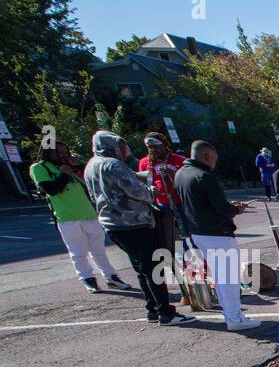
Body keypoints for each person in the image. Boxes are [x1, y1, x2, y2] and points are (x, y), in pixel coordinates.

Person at [83, 131, 194, 325]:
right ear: (113, 145)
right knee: (153, 268)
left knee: (142, 268)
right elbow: (136, 190)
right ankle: (166, 313)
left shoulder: (91, 165)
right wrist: (151, 192)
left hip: (113, 224)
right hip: (133, 223)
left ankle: (152, 310)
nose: (127, 149)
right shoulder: (112, 164)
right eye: (123, 145)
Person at [174, 140, 259, 331]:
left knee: (220, 278)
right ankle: (235, 318)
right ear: (206, 156)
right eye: (214, 158)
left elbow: (202, 203)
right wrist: (236, 209)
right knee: (228, 278)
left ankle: (231, 314)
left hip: (198, 232)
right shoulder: (205, 176)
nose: (214, 162)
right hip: (217, 233)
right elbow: (222, 208)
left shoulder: (180, 174)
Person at [30, 140, 129, 293]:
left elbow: (91, 179)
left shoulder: (70, 166)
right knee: (78, 252)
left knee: (99, 250)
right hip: (67, 218)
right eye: (59, 153)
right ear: (48, 152)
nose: (63, 156)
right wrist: (64, 174)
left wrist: (80, 165)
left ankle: (111, 277)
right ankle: (87, 278)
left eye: (65, 152)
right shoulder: (39, 168)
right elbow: (50, 190)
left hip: (90, 214)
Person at [139, 133, 187, 287]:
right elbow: (143, 183)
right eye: (150, 147)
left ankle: (190, 264)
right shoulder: (145, 163)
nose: (153, 150)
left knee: (188, 236)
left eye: (156, 146)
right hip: (161, 205)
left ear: (164, 145)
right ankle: (174, 271)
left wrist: (173, 175)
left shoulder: (179, 160)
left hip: (181, 203)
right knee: (166, 240)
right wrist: (151, 191)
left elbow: (186, 181)